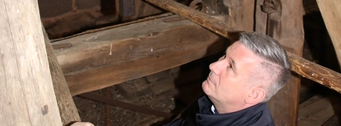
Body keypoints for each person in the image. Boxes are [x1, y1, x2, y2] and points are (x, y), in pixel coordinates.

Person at [70, 32, 291, 126]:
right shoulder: (218, 110)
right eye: (225, 56)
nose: (214, 66)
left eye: (231, 66)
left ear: (254, 94)